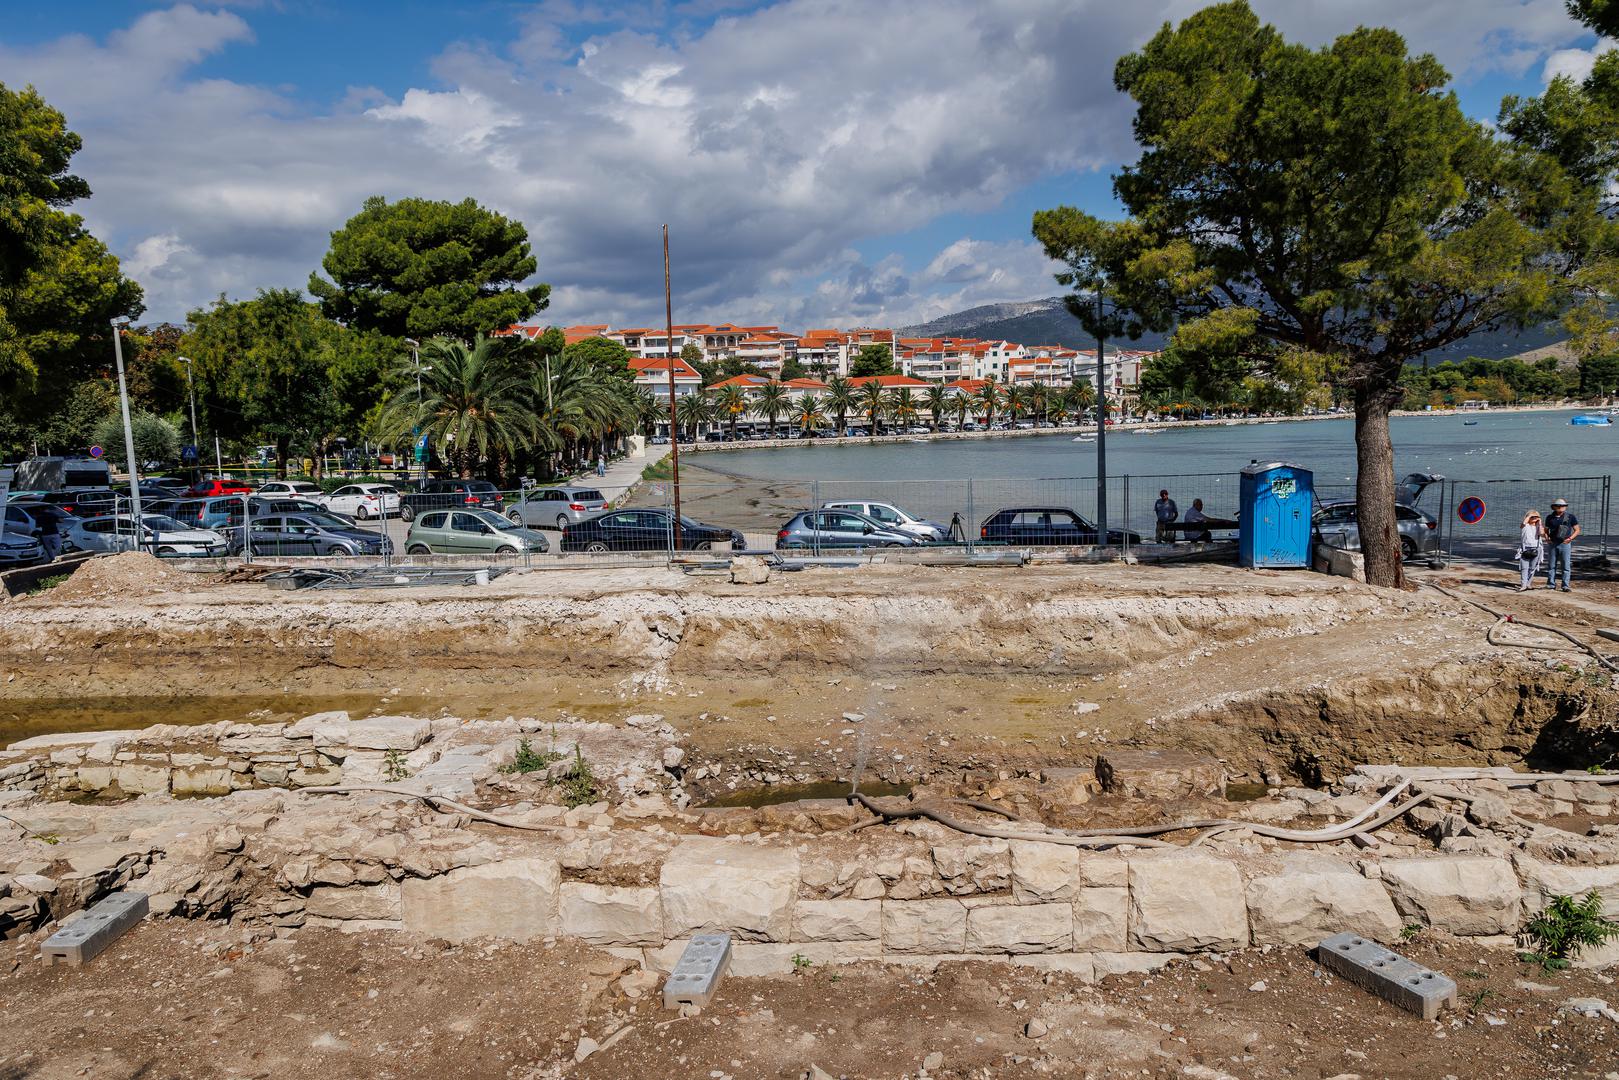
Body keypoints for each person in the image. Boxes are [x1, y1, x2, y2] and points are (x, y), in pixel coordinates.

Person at [1544, 497, 1581, 591]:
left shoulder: (1570, 517)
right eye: (1559, 506)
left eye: (1564, 505)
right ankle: (1551, 584)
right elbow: (1546, 530)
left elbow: (1577, 530)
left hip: (1565, 544)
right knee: (1552, 565)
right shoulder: (1549, 517)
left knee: (1566, 566)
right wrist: (1547, 538)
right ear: (1554, 507)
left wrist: (1570, 538)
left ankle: (1565, 585)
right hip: (1553, 544)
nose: (1561, 507)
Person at [1517, 510, 1544, 592]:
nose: (1534, 518)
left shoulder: (1538, 526)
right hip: (1525, 549)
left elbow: (1541, 533)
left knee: (1532, 568)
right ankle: (1523, 585)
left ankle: (1528, 583)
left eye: (1536, 517)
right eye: (1532, 517)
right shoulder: (1525, 526)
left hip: (1537, 549)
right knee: (1524, 568)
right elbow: (1523, 524)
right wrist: (1529, 516)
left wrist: (1539, 523)